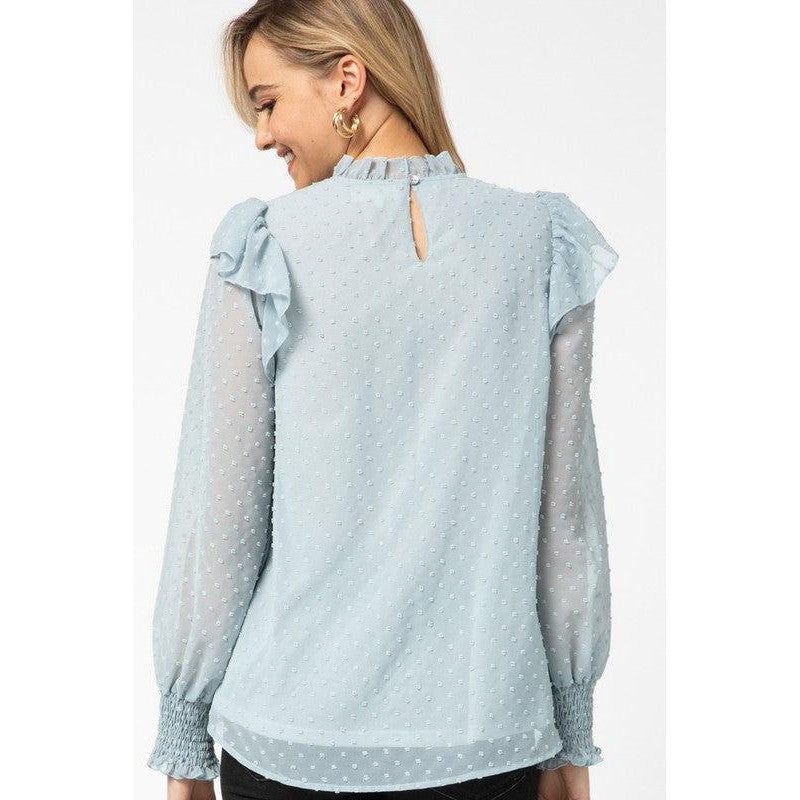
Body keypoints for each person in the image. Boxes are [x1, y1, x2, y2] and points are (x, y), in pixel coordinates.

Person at [145, 2, 619, 799]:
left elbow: (218, 523)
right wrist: (571, 729)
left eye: (267, 102)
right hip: (488, 744)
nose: (262, 135)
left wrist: (184, 729)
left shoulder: (265, 247)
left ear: (347, 80)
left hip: (289, 744)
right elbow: (566, 519)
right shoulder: (541, 240)